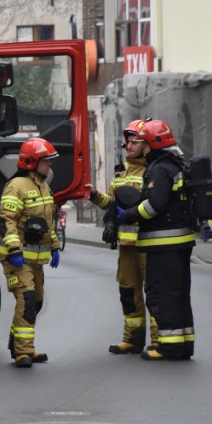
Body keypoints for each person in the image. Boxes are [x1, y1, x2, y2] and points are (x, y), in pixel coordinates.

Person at [117, 119, 197, 361]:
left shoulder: (159, 169)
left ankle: (169, 347)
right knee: (180, 294)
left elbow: (154, 206)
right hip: (180, 242)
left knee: (163, 294)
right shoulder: (173, 165)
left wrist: (128, 215)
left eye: (140, 141)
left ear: (150, 143)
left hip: (164, 245)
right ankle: (184, 345)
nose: (135, 145)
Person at [86, 120, 158, 355]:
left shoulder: (153, 170)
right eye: (127, 140)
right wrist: (95, 196)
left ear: (145, 143)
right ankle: (133, 339)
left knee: (154, 294)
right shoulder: (120, 173)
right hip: (127, 247)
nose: (128, 144)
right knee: (128, 292)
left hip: (149, 245)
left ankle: (159, 341)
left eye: (134, 140)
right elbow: (111, 203)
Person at [0, 137, 61, 368]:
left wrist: (54, 246)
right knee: (27, 300)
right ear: (32, 162)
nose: (50, 165)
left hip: (36, 259)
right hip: (17, 258)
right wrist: (14, 250)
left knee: (37, 303)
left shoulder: (43, 185)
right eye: (47, 161)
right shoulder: (16, 186)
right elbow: (7, 221)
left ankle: (18, 345)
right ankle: (23, 352)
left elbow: (46, 223)